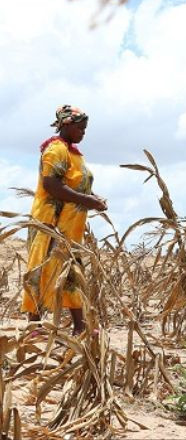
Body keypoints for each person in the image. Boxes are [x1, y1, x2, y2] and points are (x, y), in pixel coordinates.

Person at [21, 105, 107, 335]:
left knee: (71, 271)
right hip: (50, 224)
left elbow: (76, 184)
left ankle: (80, 327)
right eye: (80, 128)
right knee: (43, 269)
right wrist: (87, 201)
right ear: (66, 125)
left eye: (85, 128)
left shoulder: (74, 154)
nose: (83, 132)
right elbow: (52, 185)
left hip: (70, 228)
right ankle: (35, 326)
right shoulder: (55, 150)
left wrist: (92, 197)